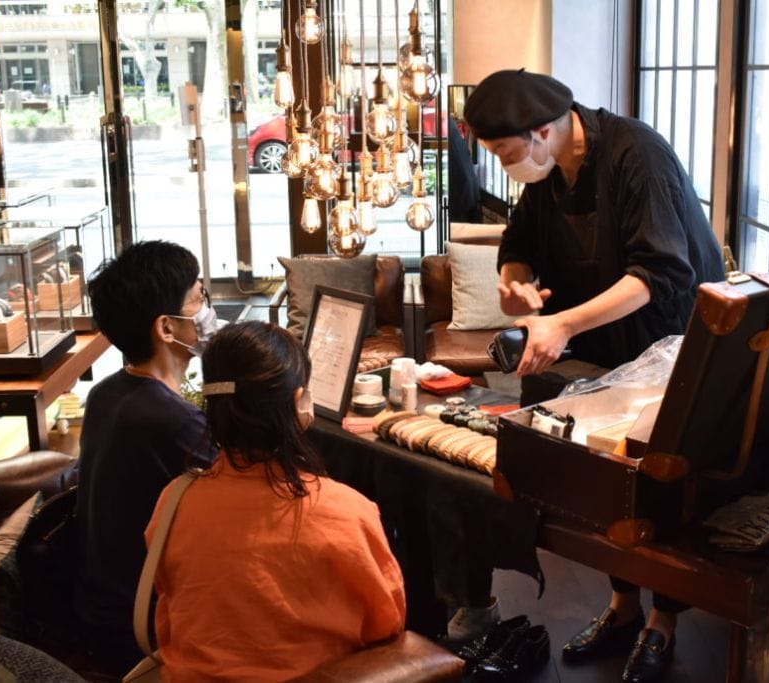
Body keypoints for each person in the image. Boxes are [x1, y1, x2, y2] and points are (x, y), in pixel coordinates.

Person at [463, 69, 725, 682]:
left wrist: (562, 325)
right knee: (608, 485)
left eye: (505, 152)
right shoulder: (552, 169)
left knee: (661, 483)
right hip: (603, 349)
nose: (503, 166)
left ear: (542, 130)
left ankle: (664, 619)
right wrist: (515, 283)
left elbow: (660, 272)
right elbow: (519, 242)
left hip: (671, 345)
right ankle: (622, 606)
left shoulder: (637, 155)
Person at [145, 321, 407, 680]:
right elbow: (386, 624)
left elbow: (171, 612)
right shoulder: (345, 512)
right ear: (298, 403)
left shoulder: (174, 502)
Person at [73, 240, 219, 676]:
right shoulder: (170, 420)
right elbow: (252, 492)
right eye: (199, 298)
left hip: (97, 606)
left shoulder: (107, 393)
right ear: (166, 327)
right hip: (142, 627)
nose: (207, 309)